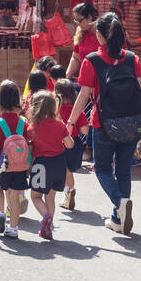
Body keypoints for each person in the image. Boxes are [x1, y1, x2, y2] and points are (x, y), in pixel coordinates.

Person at [67, 12, 141, 235]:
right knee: (124, 171)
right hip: (132, 121)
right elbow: (140, 92)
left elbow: (83, 96)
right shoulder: (133, 58)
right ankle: (118, 216)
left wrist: (71, 123)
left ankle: (119, 203)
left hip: (103, 124)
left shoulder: (92, 60)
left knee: (101, 168)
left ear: (100, 36)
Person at [0, 80, 30, 239]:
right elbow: (29, 146)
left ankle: (1, 213)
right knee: (14, 197)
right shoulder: (23, 123)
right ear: (18, 101)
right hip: (19, 167)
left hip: (0, 165)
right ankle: (13, 228)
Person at [27, 89, 73, 241]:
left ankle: (46, 217)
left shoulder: (32, 127)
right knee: (50, 197)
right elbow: (70, 145)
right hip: (59, 163)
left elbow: (30, 149)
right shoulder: (60, 126)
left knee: (35, 196)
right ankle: (49, 226)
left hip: (41, 164)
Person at [55, 78, 85, 210]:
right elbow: (85, 129)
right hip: (75, 144)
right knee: (69, 171)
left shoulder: (54, 110)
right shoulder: (77, 110)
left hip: (59, 143)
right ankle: (69, 192)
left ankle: (67, 193)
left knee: (64, 170)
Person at [65, 2, 98, 80]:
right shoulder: (81, 33)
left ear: (89, 17)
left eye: (80, 20)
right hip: (86, 78)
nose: (78, 24)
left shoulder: (101, 33)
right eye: (76, 21)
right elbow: (76, 57)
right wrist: (67, 76)